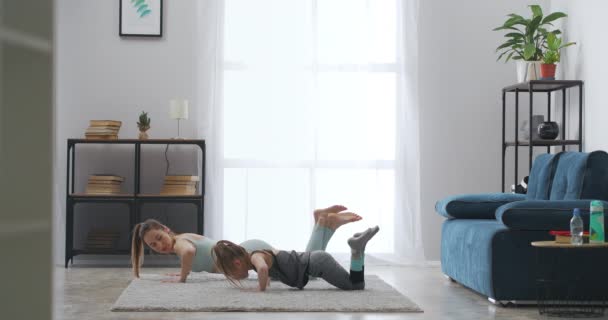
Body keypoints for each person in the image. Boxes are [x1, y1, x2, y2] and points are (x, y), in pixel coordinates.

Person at [130, 205, 361, 282]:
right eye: (153, 245)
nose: (159, 245)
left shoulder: (181, 243)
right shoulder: (181, 238)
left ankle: (323, 224)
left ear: (166, 230)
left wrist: (182, 278)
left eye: (159, 238)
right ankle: (323, 223)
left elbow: (189, 252)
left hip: (247, 253)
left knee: (307, 273)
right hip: (245, 249)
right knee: (303, 267)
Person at [211, 226, 380, 291]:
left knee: (355, 286)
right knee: (355, 283)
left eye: (232, 273)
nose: (235, 277)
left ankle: (357, 250)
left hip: (317, 263)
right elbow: (268, 269)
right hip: (316, 260)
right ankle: (359, 248)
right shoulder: (256, 254)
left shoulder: (256, 257)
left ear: (237, 262)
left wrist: (260, 289)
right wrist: (267, 280)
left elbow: (263, 268)